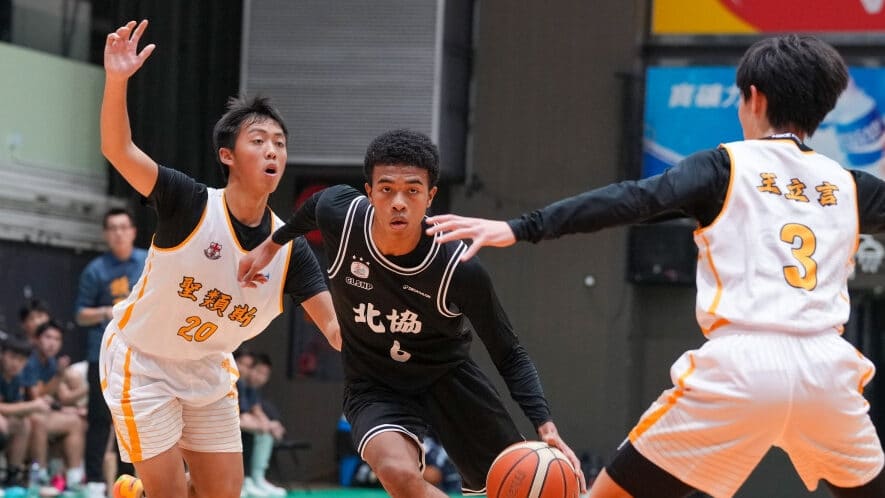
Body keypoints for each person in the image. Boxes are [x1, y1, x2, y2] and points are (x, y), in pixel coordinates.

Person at [425, 35, 885, 498]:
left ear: (755, 97)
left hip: (742, 369)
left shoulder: (725, 167)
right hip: (827, 371)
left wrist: (521, 227)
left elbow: (630, 200)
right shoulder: (850, 185)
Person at [238, 129, 584, 497]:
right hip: (375, 383)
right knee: (397, 473)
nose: (398, 202)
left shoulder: (458, 267)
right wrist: (272, 245)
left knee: (515, 485)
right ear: (369, 192)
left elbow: (508, 351)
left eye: (413, 190)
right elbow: (313, 207)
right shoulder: (341, 214)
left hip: (448, 379)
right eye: (386, 189)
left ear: (430, 196)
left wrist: (545, 424)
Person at [99, 19, 341, 498]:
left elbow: (334, 328)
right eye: (259, 140)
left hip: (208, 369)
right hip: (143, 362)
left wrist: (385, 339)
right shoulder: (189, 202)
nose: (272, 151)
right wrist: (117, 80)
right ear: (227, 155)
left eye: (280, 143)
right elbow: (118, 149)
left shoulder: (289, 249)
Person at [74, 207, 146, 496]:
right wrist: (110, 311)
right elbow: (80, 314)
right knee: (99, 418)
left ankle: (125, 481)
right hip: (103, 354)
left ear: (133, 232)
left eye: (123, 227)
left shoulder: (148, 261)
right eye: (112, 228)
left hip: (140, 354)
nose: (118, 233)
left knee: (129, 420)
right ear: (106, 234)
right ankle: (93, 480)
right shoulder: (95, 269)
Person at [19, 320, 86, 490]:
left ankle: (72, 479)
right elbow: (36, 396)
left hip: (42, 411)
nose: (52, 343)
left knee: (75, 421)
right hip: (24, 412)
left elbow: (60, 398)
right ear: (37, 339)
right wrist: (59, 375)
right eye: (48, 337)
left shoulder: (52, 362)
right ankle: (40, 477)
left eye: (57, 339)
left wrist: (72, 408)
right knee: (39, 420)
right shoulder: (30, 360)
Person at [0, 334, 50, 488]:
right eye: (12, 357)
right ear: (2, 354)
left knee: (24, 423)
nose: (16, 363)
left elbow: (15, 406)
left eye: (21, 360)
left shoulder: (15, 378)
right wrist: (32, 406)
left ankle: (13, 475)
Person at [238, 353, 286, 497]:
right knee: (252, 431)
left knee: (262, 431)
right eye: (242, 364)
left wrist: (270, 425)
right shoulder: (235, 382)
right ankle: (244, 480)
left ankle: (255, 478)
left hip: (236, 423)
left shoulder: (249, 388)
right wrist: (262, 426)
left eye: (248, 366)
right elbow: (239, 416)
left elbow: (256, 410)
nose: (244, 369)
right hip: (220, 426)